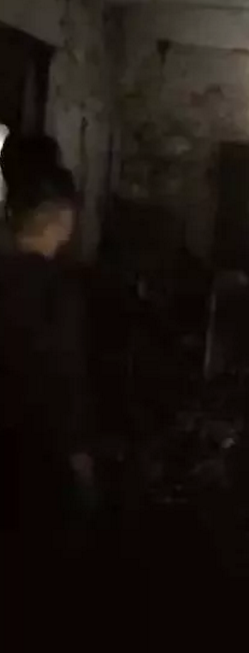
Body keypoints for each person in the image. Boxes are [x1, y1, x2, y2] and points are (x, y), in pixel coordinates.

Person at [0, 136, 93, 544]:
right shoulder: (56, 290)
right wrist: (79, 457)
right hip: (36, 452)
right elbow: (64, 377)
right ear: (62, 216)